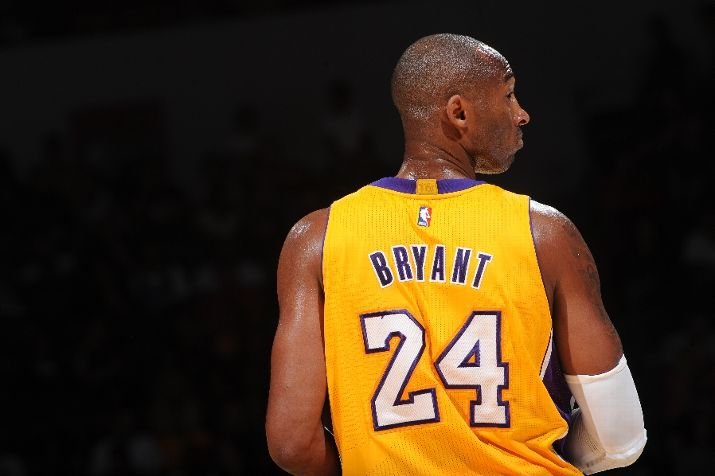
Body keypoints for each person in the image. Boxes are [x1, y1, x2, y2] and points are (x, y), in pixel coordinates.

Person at [266, 33, 646, 475]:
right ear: (459, 113)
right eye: (508, 95)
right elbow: (619, 439)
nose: (522, 113)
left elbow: (292, 444)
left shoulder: (316, 239)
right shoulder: (545, 234)